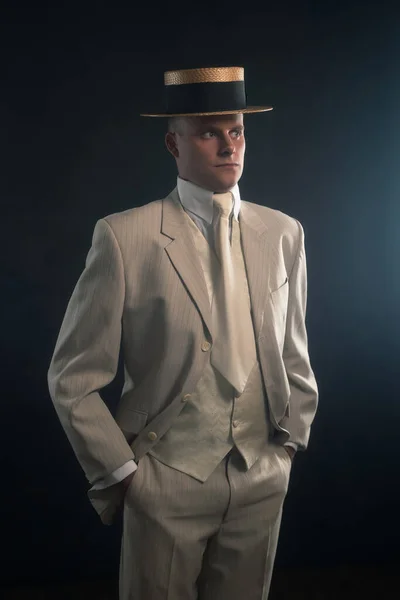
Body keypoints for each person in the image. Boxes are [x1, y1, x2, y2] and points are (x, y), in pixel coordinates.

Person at [48, 66, 319, 600]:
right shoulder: (127, 237)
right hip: (165, 479)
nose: (227, 146)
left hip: (262, 474)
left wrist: (289, 442)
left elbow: (295, 347)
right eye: (209, 132)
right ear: (174, 143)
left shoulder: (284, 233)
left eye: (236, 131)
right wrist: (125, 473)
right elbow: (72, 376)